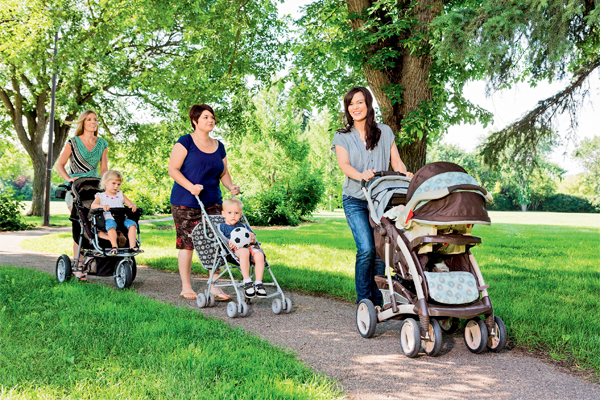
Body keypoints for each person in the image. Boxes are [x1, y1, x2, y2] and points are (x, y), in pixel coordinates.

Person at [331, 87, 413, 306]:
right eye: (350, 104)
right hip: (355, 199)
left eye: (359, 102)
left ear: (368, 104)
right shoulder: (342, 136)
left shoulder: (384, 131)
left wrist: (405, 174)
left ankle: (378, 302)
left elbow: (396, 161)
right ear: (347, 108)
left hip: (381, 200)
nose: (355, 107)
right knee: (366, 248)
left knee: (379, 252)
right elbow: (344, 165)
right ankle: (364, 301)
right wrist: (362, 175)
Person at [168, 104, 240, 301]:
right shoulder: (185, 142)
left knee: (217, 242)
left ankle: (214, 287)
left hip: (213, 201)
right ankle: (186, 287)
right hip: (186, 201)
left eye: (213, 118)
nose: (211, 120)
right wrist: (191, 186)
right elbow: (173, 169)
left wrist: (230, 187)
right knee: (187, 244)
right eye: (206, 117)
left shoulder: (219, 145)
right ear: (195, 121)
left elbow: (223, 173)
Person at [56, 110, 109, 280]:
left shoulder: (102, 143)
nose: (93, 122)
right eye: (89, 119)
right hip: (75, 190)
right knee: (81, 222)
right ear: (83, 123)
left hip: (94, 190)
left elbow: (103, 169)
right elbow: (60, 165)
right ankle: (77, 264)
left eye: (95, 119)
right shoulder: (73, 142)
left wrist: (106, 187)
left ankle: (91, 260)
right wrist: (70, 180)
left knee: (96, 224)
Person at [219, 198, 267, 298]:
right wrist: (228, 243)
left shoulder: (244, 226)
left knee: (259, 254)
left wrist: (253, 239)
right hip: (234, 251)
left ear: (240, 215)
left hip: (249, 247)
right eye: (230, 213)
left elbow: (253, 239)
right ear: (223, 214)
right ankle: (247, 281)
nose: (233, 216)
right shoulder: (221, 227)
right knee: (244, 251)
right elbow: (221, 239)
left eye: (236, 213)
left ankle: (258, 283)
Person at [91, 170, 143, 256]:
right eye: (113, 183)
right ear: (105, 182)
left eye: (118, 184)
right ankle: (114, 246)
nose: (116, 186)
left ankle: (133, 246)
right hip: (108, 219)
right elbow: (93, 205)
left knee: (132, 224)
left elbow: (130, 204)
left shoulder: (120, 195)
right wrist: (102, 206)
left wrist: (132, 205)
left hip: (122, 220)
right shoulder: (101, 196)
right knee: (111, 225)